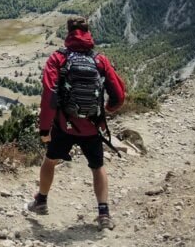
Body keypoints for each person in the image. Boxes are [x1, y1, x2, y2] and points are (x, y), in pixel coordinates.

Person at [26, 16, 126, 229]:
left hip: (64, 125)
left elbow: (49, 96)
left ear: (68, 33)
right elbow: (118, 95)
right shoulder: (100, 60)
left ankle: (41, 201)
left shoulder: (57, 59)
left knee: (50, 160)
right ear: (88, 32)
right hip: (92, 126)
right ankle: (104, 212)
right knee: (97, 167)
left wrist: (45, 129)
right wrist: (105, 112)